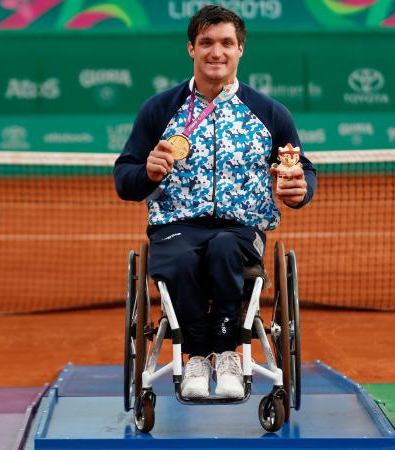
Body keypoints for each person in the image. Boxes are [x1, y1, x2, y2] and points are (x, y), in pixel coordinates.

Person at [114, 5, 316, 400]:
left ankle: (226, 354)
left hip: (241, 229)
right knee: (182, 258)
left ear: (241, 50)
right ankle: (196, 357)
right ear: (191, 48)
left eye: (227, 43)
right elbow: (125, 178)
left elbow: (300, 170)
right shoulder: (160, 109)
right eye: (206, 42)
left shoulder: (270, 113)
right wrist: (148, 173)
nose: (216, 52)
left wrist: (299, 187)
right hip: (175, 225)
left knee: (224, 247)